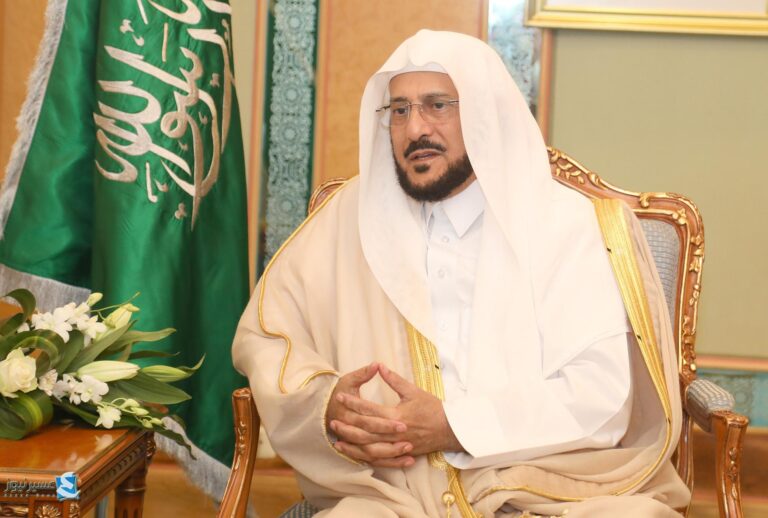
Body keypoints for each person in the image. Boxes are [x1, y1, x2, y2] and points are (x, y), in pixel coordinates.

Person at [232, 30, 691, 517]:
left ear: (484, 113)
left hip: (555, 486)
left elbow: (602, 397)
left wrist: (452, 426)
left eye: (437, 106)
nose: (415, 129)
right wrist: (326, 404)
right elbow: (268, 335)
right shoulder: (348, 218)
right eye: (400, 110)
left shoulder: (569, 225)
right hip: (394, 491)